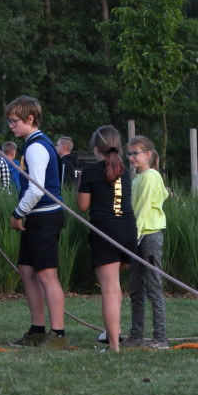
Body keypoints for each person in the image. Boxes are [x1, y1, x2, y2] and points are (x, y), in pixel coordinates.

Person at [5, 96, 66, 349]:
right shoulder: (31, 144)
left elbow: (37, 189)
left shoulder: (36, 147)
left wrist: (18, 213)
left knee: (47, 275)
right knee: (27, 271)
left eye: (15, 121)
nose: (11, 126)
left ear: (30, 119)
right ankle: (37, 330)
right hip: (36, 217)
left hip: (44, 216)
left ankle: (59, 335)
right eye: (10, 121)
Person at [76, 125, 136, 353]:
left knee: (109, 288)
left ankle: (113, 345)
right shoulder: (125, 170)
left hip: (106, 233)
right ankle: (115, 332)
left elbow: (82, 206)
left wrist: (80, 182)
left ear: (95, 148)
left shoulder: (91, 171)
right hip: (129, 232)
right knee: (115, 285)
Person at [124, 135, 169, 349]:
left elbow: (141, 212)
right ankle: (136, 335)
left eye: (135, 153)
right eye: (129, 154)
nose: (131, 157)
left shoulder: (151, 176)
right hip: (138, 236)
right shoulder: (137, 178)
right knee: (135, 286)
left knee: (153, 286)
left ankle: (160, 338)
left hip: (148, 236)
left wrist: (133, 239)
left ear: (148, 155)